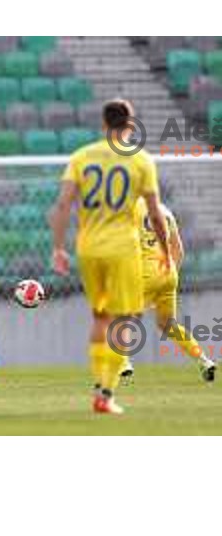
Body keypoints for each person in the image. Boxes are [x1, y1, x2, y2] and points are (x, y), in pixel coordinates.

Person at [50, 99, 170, 415]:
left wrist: (58, 248)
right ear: (131, 125)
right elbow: (156, 214)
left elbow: (62, 205)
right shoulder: (141, 160)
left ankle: (98, 384)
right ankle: (106, 391)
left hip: (88, 248)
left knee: (100, 317)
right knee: (125, 319)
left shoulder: (81, 157)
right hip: (123, 249)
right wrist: (167, 251)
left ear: (103, 125)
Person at [120, 199, 216, 382]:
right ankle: (204, 361)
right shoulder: (164, 211)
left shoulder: (129, 211)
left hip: (145, 273)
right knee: (168, 325)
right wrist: (170, 277)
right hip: (169, 273)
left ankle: (124, 363)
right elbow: (178, 249)